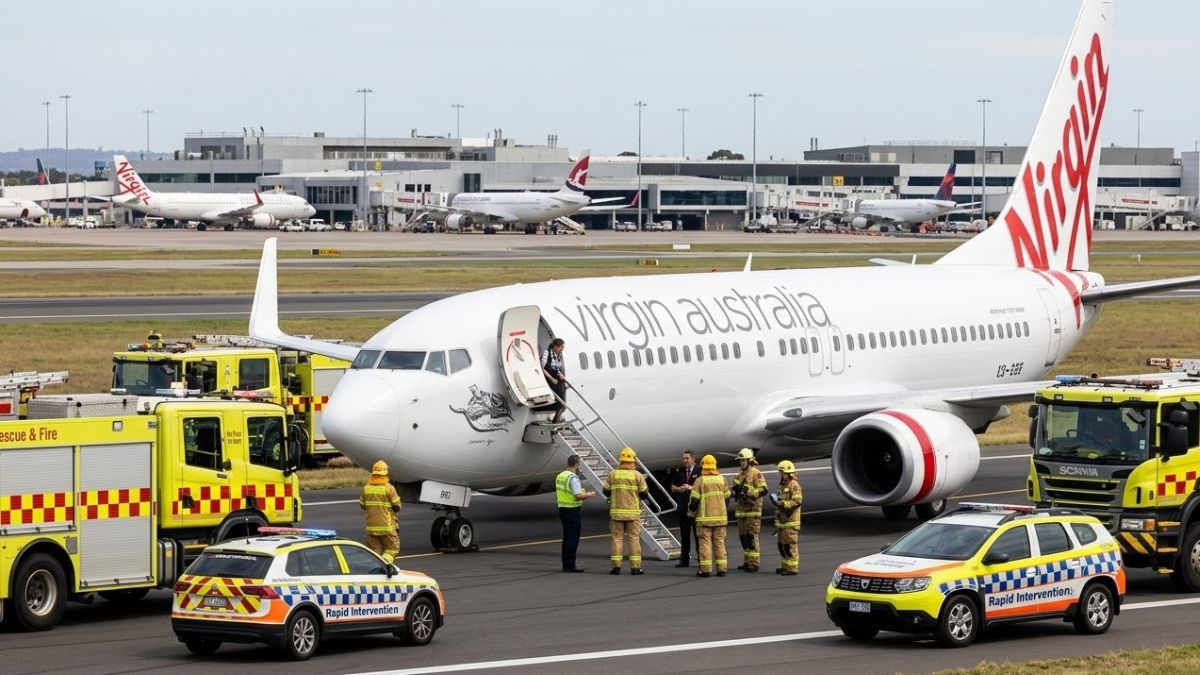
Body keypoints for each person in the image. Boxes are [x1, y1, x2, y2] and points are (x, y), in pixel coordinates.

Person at [602, 447, 649, 575]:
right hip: (633, 514)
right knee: (634, 539)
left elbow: (605, 491)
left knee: (617, 539)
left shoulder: (613, 474)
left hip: (617, 513)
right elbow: (644, 494)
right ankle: (635, 568)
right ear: (633, 460)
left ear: (621, 460)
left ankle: (616, 567)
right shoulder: (637, 475)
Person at [689, 454, 731, 577]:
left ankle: (706, 569)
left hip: (704, 519)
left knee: (705, 543)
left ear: (703, 466)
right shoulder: (722, 479)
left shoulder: (700, 481)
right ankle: (722, 569)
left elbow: (694, 501)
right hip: (720, 518)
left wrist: (691, 513)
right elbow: (727, 498)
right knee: (719, 542)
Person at [556, 454, 596, 573]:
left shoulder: (560, 475)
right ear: (576, 464)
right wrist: (589, 494)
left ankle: (566, 563)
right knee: (573, 538)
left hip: (563, 508)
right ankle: (570, 565)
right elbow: (578, 496)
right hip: (572, 510)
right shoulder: (573, 478)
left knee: (567, 537)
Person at [731, 448, 768, 573]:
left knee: (751, 537)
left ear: (749, 461)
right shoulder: (738, 475)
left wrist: (749, 493)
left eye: (743, 461)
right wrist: (735, 492)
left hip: (752, 511)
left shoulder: (756, 473)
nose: (741, 463)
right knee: (743, 537)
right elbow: (734, 490)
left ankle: (754, 563)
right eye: (740, 461)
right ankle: (747, 561)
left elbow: (764, 490)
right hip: (741, 511)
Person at [359, 460, 402, 562]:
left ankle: (377, 569)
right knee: (392, 549)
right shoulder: (389, 488)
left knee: (375, 552)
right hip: (387, 527)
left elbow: (362, 505)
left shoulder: (366, 488)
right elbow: (397, 506)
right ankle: (386, 564)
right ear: (385, 473)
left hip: (371, 528)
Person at [669, 449, 701, 567]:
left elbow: (703, 488)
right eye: (683, 458)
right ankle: (684, 560)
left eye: (687, 458)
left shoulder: (700, 471)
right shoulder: (680, 472)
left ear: (693, 458)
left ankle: (701, 559)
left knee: (698, 535)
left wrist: (690, 487)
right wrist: (680, 489)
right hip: (683, 508)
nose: (685, 461)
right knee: (684, 536)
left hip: (696, 508)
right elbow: (672, 487)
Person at [770, 460, 802, 576]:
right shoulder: (782, 485)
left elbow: (797, 502)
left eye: (782, 473)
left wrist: (782, 504)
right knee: (782, 545)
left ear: (789, 473)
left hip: (790, 521)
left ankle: (792, 568)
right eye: (780, 473)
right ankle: (785, 566)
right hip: (782, 521)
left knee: (789, 546)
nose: (781, 475)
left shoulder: (794, 485)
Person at [542, 338, 568, 424]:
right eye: (561, 347)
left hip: (557, 378)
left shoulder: (559, 354)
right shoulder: (547, 353)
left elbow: (558, 367)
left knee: (563, 402)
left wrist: (562, 376)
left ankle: (557, 418)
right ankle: (555, 421)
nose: (562, 349)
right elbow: (541, 368)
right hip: (548, 378)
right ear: (555, 346)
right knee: (561, 401)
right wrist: (552, 379)